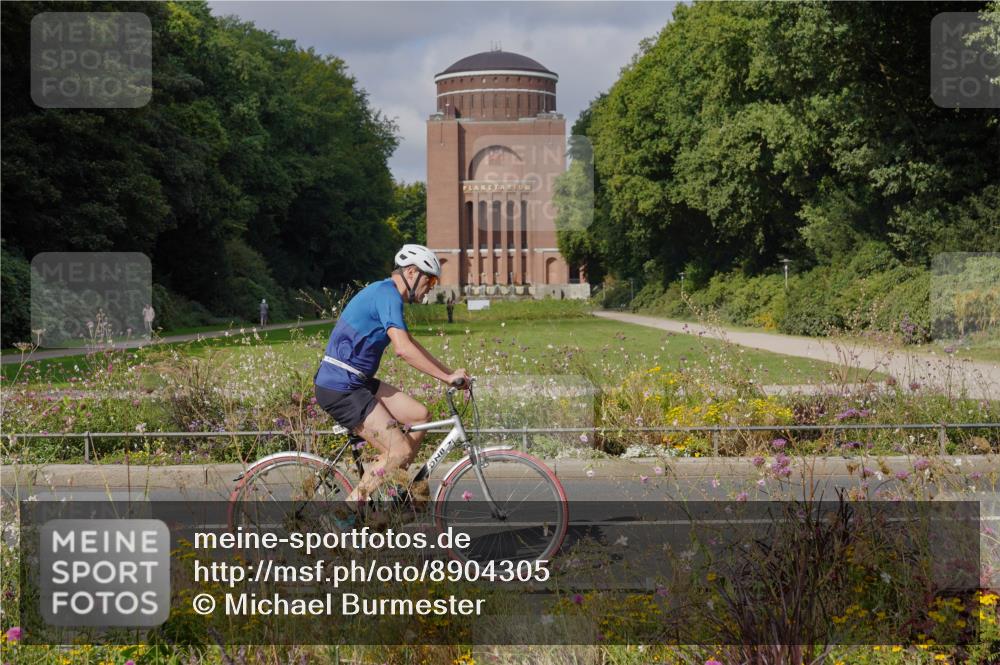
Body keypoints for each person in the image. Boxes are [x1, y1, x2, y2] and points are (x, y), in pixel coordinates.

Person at [314, 244, 471, 511]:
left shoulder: (387, 294)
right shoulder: (387, 295)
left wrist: (449, 372)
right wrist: (446, 378)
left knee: (419, 415)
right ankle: (343, 513)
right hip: (340, 386)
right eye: (430, 279)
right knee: (398, 451)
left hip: (356, 381)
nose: (432, 286)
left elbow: (410, 344)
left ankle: (391, 485)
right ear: (411, 273)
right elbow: (403, 350)